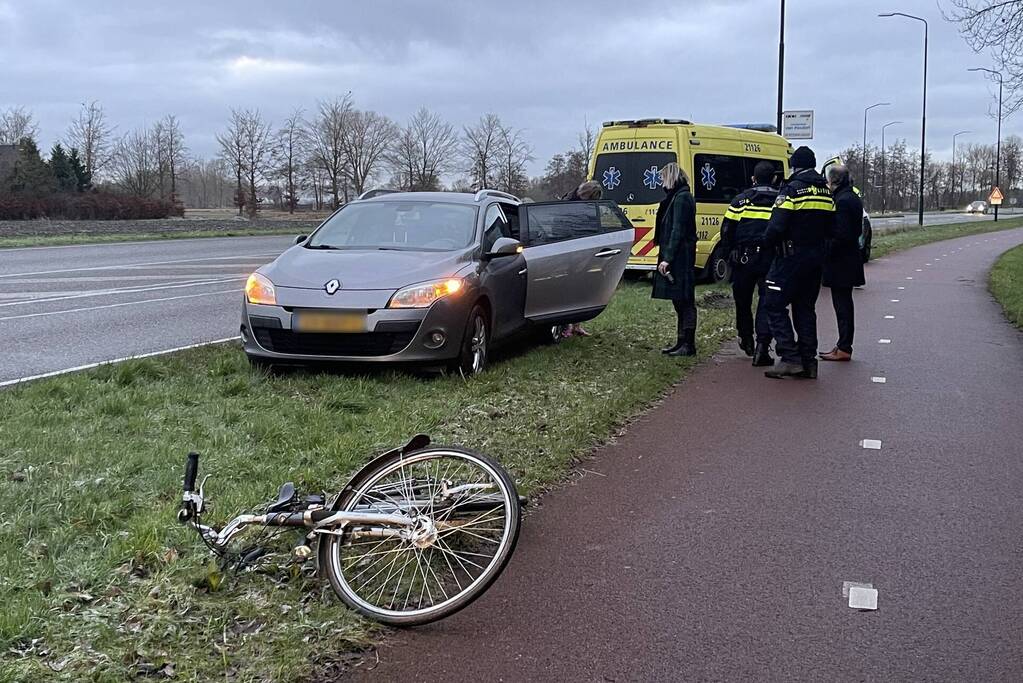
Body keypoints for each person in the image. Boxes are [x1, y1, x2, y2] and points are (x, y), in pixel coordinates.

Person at [759, 146, 836, 379]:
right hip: (815, 260)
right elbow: (832, 228)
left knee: (772, 304)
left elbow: (776, 226)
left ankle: (790, 357)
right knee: (805, 309)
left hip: (788, 258)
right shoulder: (826, 192)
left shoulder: (792, 190)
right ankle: (809, 361)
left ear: (795, 165)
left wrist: (765, 245)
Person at [719, 161, 779, 367]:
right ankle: (763, 345)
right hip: (770, 259)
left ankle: (745, 338)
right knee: (766, 301)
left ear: (753, 179)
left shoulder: (740, 201)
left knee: (742, 301)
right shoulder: (780, 201)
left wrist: (729, 254)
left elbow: (726, 230)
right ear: (774, 179)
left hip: (743, 259)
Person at [652, 162, 698, 356]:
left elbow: (677, 230)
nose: (662, 182)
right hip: (679, 254)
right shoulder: (678, 197)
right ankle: (682, 342)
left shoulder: (680, 199)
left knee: (685, 300)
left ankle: (688, 344)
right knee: (679, 300)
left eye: (663, 178)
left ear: (670, 178)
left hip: (680, 257)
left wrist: (667, 257)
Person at [820, 163, 865, 361]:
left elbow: (841, 233)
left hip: (842, 261)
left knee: (843, 305)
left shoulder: (843, 200)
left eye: (829, 180)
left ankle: (844, 346)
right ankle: (842, 344)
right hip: (848, 258)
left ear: (834, 181)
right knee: (843, 304)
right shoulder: (851, 197)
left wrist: (826, 250)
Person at [560, 180, 603, 337]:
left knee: (581, 288)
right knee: (567, 289)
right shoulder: (567, 204)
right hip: (569, 252)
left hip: (584, 251)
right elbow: (560, 226)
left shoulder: (589, 206)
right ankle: (565, 326)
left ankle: (576, 325)